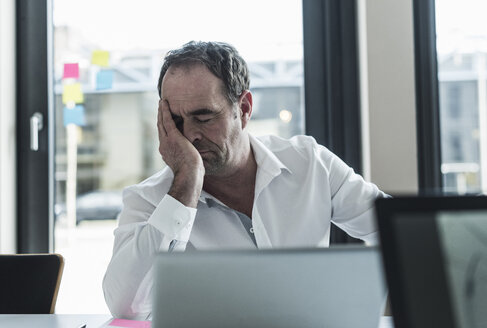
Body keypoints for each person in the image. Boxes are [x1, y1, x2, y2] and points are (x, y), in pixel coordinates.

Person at [103, 41, 386, 319]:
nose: (190, 136)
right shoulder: (148, 199)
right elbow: (126, 307)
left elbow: (398, 232)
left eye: (204, 117)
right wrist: (186, 182)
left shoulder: (310, 164)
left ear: (245, 108)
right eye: (176, 122)